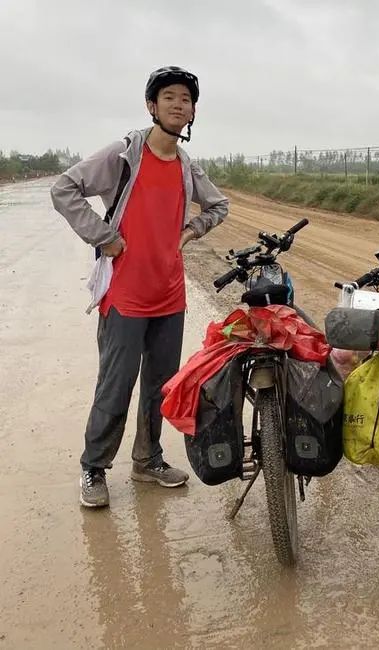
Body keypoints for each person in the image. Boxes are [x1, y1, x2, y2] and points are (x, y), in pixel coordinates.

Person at [51, 66, 229, 508]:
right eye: (169, 97)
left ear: (192, 112)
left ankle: (147, 461)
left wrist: (192, 230)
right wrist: (104, 237)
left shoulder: (187, 165)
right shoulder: (125, 154)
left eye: (185, 100)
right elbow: (64, 188)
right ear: (152, 106)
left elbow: (220, 205)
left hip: (170, 295)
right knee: (116, 385)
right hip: (126, 297)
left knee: (159, 385)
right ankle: (93, 467)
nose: (178, 105)